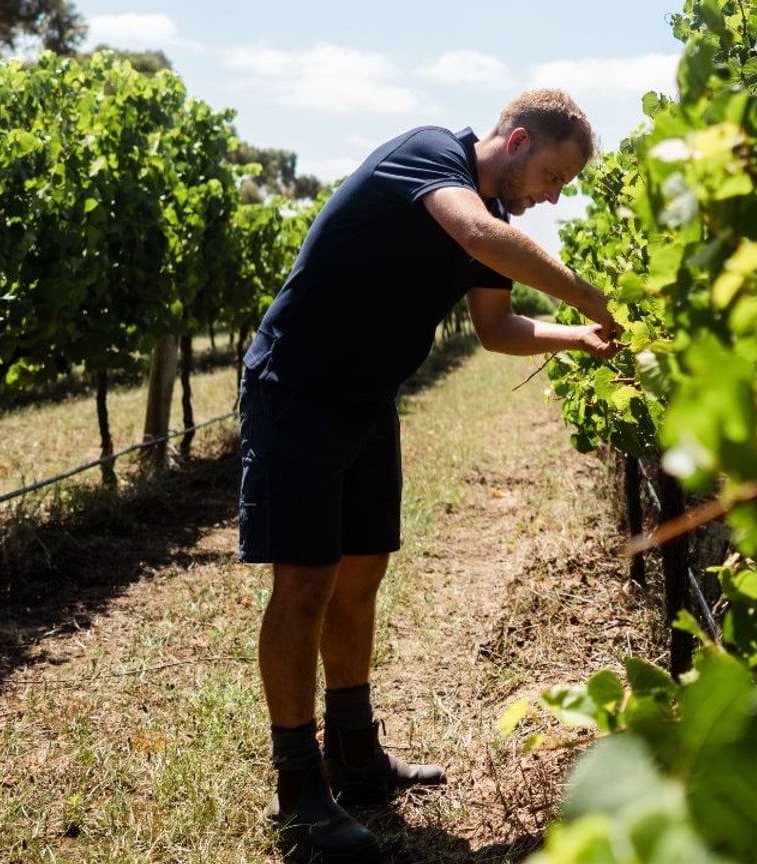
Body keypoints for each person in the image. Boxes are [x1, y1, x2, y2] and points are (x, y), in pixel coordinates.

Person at [237, 89, 620, 861]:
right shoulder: (430, 157)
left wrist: (579, 337)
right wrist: (586, 291)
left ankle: (356, 756)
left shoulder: (496, 226)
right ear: (517, 141)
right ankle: (299, 794)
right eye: (554, 176)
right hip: (298, 391)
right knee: (304, 584)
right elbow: (475, 232)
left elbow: (496, 328)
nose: (552, 198)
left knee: (360, 575)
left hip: (368, 400)